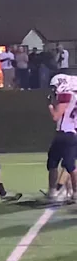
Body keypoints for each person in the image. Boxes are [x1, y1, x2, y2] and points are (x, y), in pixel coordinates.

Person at [46, 74, 77, 202]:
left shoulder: (66, 95)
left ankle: (56, 191)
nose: (54, 89)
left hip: (65, 134)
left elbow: (56, 116)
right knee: (63, 164)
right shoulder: (74, 96)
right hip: (71, 133)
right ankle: (69, 192)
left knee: (65, 165)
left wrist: (50, 106)